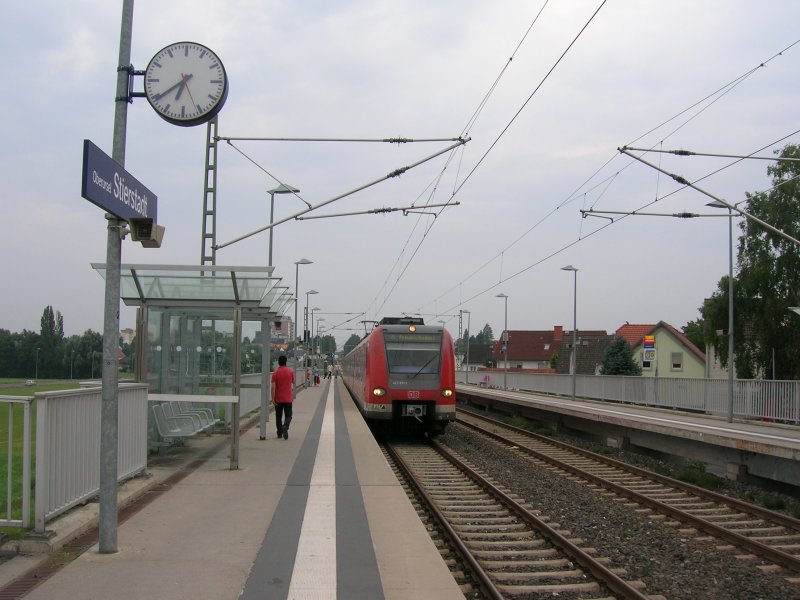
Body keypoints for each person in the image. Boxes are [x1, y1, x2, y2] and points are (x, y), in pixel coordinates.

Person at [271, 355, 295, 440]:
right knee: (289, 416)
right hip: (288, 398)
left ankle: (279, 433)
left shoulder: (275, 373)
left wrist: (272, 399)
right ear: (286, 362)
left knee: (278, 416)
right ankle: (285, 426)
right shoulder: (290, 372)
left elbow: (273, 388)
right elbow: (293, 381)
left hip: (278, 398)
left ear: (278, 362)